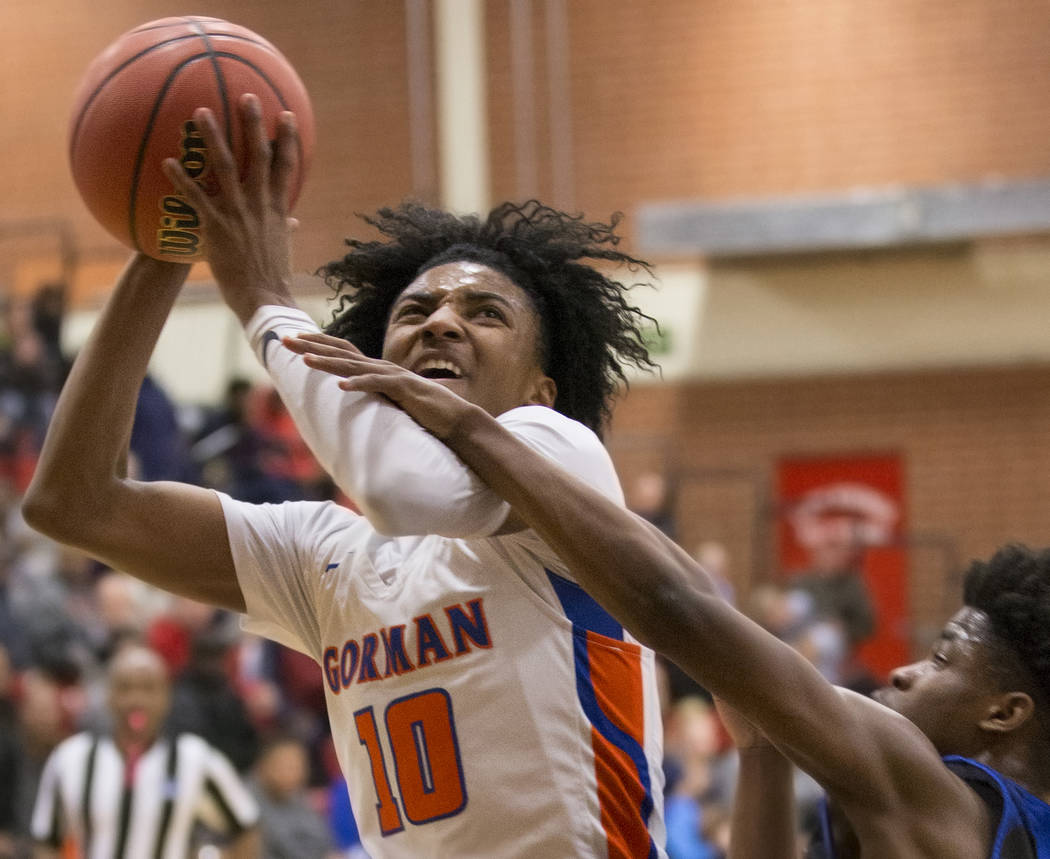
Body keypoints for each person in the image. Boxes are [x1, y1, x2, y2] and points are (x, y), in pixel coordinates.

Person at [24, 93, 667, 857]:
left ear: (540, 389)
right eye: (415, 309)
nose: (441, 320)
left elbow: (409, 491)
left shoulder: (561, 454)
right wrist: (172, 236)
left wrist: (264, 300)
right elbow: (73, 502)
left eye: (485, 312)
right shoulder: (326, 557)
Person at [286, 338, 1050, 858]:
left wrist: (470, 427)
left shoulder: (953, 806)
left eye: (945, 658)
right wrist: (761, 753)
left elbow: (675, 604)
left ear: (1006, 711)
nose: (911, 671)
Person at [29, 642, 259, 858]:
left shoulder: (196, 758)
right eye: (125, 688)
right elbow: (46, 840)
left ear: (167, 696)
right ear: (108, 695)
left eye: (148, 688)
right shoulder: (71, 758)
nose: (136, 699)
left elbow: (247, 827)